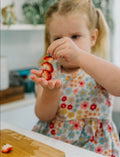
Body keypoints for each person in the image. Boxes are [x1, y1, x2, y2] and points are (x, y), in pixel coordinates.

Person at [31, 0, 120, 156]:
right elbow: (43, 116)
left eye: (75, 36)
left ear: (93, 37)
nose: (67, 45)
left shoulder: (98, 68)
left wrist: (79, 56)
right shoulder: (48, 73)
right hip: (55, 146)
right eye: (58, 39)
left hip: (95, 148)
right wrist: (51, 93)